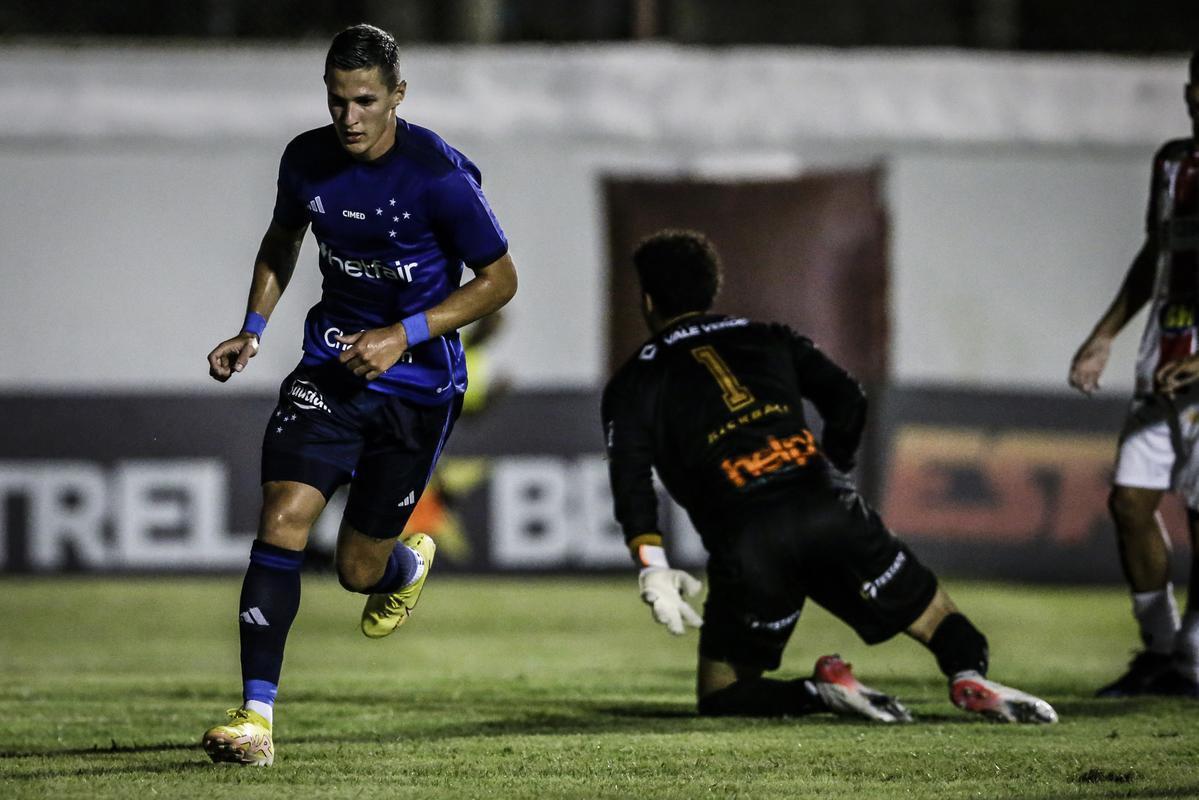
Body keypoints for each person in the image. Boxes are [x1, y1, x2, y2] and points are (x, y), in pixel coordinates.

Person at [201, 23, 517, 765]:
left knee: (357, 571)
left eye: (365, 100)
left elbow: (499, 284)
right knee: (282, 519)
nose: (348, 116)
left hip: (417, 387)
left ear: (396, 97)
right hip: (331, 371)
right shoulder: (306, 159)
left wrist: (405, 332)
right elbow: (283, 240)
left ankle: (406, 566)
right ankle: (255, 718)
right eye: (337, 99)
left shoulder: (437, 176)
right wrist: (251, 327)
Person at [601, 229, 1057, 724]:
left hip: (750, 540)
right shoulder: (769, 336)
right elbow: (849, 400)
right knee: (936, 617)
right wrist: (832, 470)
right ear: (711, 289)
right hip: (826, 506)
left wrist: (653, 564)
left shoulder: (632, 384)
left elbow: (631, 482)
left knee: (724, 696)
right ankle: (968, 673)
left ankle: (820, 693)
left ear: (647, 300)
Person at [1068, 50, 1199, 698]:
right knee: (1128, 501)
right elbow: (1155, 252)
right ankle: (1159, 648)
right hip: (1162, 362)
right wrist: (1103, 336)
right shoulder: (1173, 161)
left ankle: (1192, 659)